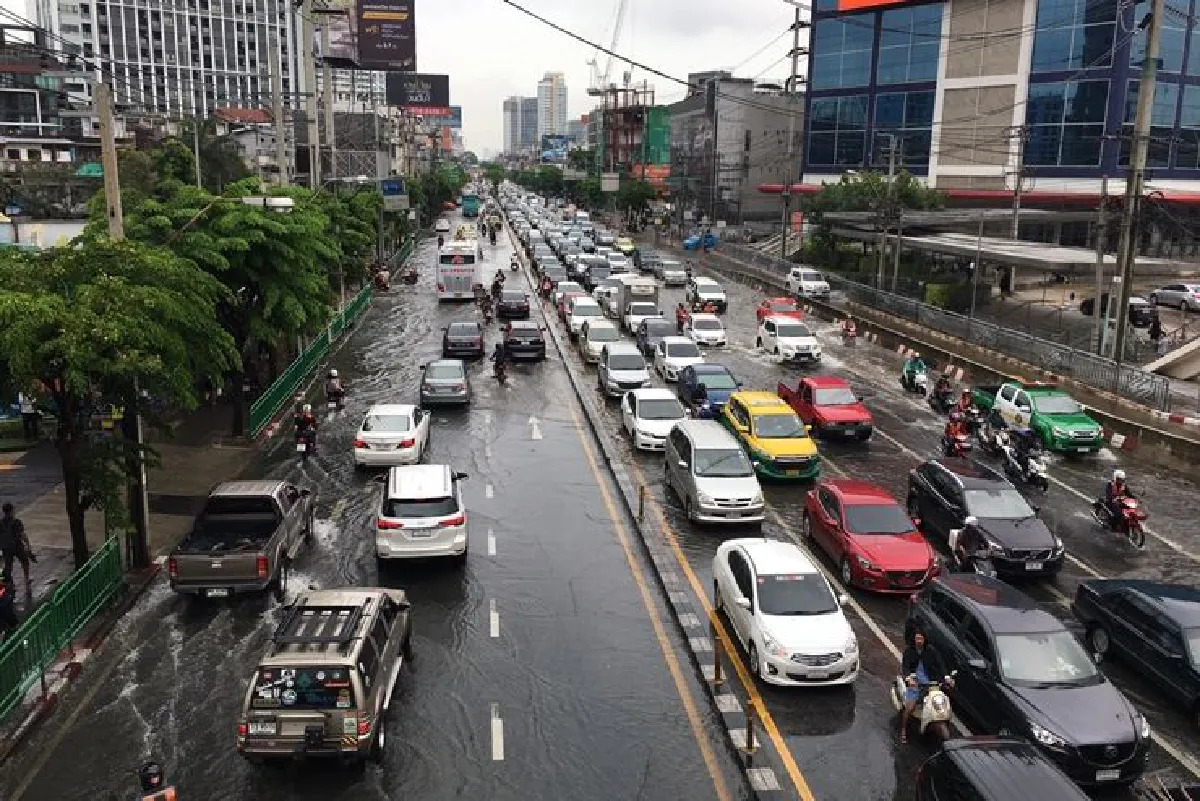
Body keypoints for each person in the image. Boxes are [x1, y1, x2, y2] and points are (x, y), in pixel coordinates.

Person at [898, 627, 950, 744]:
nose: (919, 641)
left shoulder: (931, 650)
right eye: (917, 638)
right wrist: (908, 679)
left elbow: (940, 664)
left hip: (930, 683)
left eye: (921, 638)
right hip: (915, 683)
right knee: (910, 707)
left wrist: (946, 677)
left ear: (925, 639)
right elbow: (905, 667)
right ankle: (903, 729)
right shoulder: (909, 651)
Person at [0, 503, 34, 592]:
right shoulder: (16, 522)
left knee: (8, 566)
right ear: (11, 511)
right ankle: (26, 579)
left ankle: (8, 584)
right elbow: (23, 535)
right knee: (25, 561)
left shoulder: (1, 523)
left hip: (6, 548)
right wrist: (28, 545)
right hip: (17, 546)